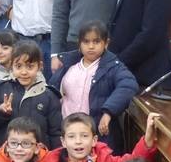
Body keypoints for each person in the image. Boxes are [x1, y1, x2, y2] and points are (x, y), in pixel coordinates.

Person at [51, 20, 138, 153]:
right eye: (86, 42)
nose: (91, 46)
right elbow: (51, 91)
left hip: (96, 135)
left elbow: (128, 85)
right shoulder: (68, 64)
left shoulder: (113, 67)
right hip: (67, 132)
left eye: (96, 41)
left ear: (106, 43)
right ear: (79, 44)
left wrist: (108, 112)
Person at [0, 41, 62, 149]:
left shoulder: (49, 95)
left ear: (39, 66)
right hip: (5, 154)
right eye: (18, 66)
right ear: (11, 65)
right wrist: (1, 112)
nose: (24, 72)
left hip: (38, 157)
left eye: (30, 66)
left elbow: (55, 132)